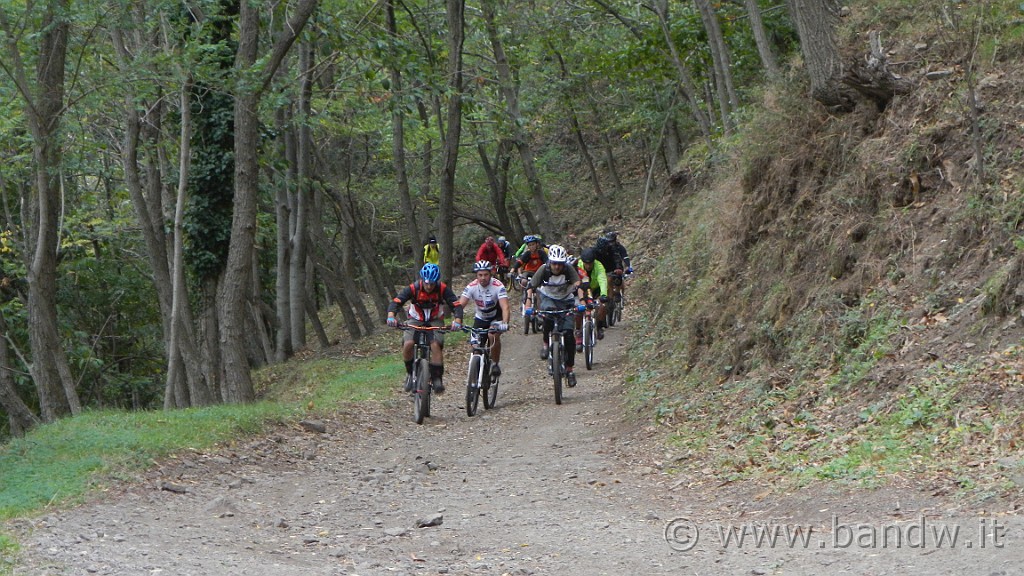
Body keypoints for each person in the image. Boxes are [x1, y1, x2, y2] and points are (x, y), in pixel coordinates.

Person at [386, 263, 463, 394]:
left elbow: (456, 305)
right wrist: (391, 316)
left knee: (435, 345)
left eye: (432, 284)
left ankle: (437, 378)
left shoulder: (442, 289)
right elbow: (396, 302)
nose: (429, 286)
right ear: (422, 280)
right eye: (427, 283)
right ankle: (410, 373)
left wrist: (457, 320)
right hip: (415, 319)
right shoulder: (413, 288)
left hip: (435, 320)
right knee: (408, 343)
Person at [524, 245, 586, 387]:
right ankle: (546, 344)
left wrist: (581, 302)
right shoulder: (543, 270)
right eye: (554, 263)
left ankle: (570, 370)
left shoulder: (568, 269)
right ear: (550, 262)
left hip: (566, 299)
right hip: (548, 298)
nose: (557, 267)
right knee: (547, 315)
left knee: (569, 335)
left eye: (560, 263)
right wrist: (528, 304)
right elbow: (531, 287)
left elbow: (578, 285)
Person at [455, 260, 511, 377]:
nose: (483, 278)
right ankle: (475, 376)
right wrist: (457, 321)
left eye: (486, 274)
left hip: (496, 316)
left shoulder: (498, 286)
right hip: (480, 318)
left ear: (490, 274)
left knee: (492, 335)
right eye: (480, 275)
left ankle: (495, 363)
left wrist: (505, 322)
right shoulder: (471, 287)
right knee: (475, 347)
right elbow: (460, 306)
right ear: (476, 275)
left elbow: (505, 307)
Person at [577, 248, 609, 341]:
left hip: (596, 289)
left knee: (602, 306)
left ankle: (599, 327)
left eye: (590, 263)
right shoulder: (579, 265)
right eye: (586, 263)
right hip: (583, 289)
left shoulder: (599, 266)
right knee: (578, 308)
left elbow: (602, 279)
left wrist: (603, 295)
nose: (588, 266)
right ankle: (578, 330)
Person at [590, 229, 632, 299]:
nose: (611, 243)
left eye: (612, 241)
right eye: (609, 241)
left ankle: (619, 293)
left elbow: (621, 257)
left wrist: (627, 266)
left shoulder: (618, 248)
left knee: (618, 278)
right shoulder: (597, 250)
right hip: (604, 268)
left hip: (614, 267)